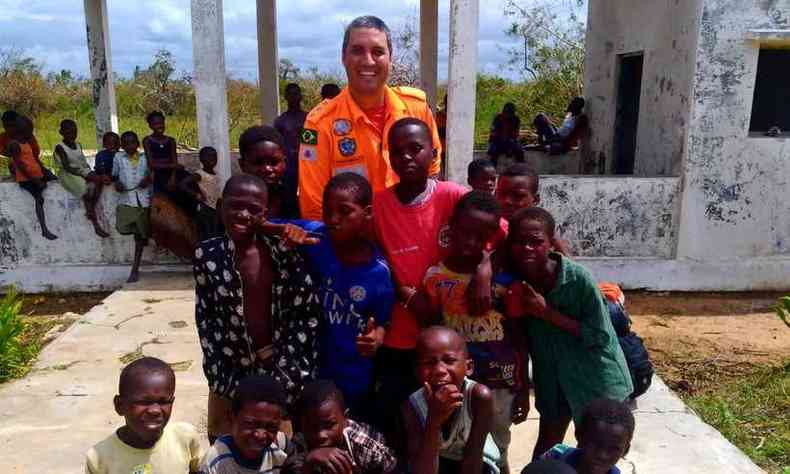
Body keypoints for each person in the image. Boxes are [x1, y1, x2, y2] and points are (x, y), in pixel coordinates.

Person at [193, 174, 321, 442]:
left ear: (266, 213)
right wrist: (220, 378)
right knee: (225, 445)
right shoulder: (207, 255)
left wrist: (289, 375)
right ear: (220, 206)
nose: (243, 214)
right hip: (230, 371)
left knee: (277, 447)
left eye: (253, 209)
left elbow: (305, 314)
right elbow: (206, 319)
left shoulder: (284, 251)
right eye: (235, 206)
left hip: (280, 371)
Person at [499, 208, 633, 460]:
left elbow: (600, 336)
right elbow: (521, 340)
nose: (527, 248)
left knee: (597, 452)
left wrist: (546, 312)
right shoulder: (514, 284)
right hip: (552, 378)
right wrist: (521, 387)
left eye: (536, 242)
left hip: (596, 376)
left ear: (551, 244)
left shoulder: (577, 279)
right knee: (547, 448)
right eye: (519, 242)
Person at [371, 117, 468, 442]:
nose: (407, 157)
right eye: (397, 151)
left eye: (416, 149)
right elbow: (374, 259)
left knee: (450, 425)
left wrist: (482, 266)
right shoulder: (379, 204)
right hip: (400, 335)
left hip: (448, 339)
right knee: (402, 421)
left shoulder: (452, 196)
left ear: (434, 151)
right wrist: (409, 296)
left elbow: (494, 230)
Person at [421, 191, 528, 473]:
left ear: (491, 237)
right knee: (461, 446)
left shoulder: (505, 279)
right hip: (457, 385)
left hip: (499, 381)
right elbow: (432, 329)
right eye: (464, 232)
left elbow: (518, 332)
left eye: (480, 237)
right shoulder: (436, 278)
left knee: (498, 446)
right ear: (451, 226)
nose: (470, 242)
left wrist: (523, 386)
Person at [298, 15, 442, 220]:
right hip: (354, 245)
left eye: (378, 52)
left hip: (410, 234)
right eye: (357, 51)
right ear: (343, 57)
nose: (368, 61)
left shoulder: (416, 107)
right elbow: (314, 207)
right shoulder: (319, 123)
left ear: (390, 58)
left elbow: (432, 175)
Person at [287, 173, 394, 423]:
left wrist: (375, 339)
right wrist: (288, 232)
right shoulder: (316, 237)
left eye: (344, 211)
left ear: (367, 213)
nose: (333, 219)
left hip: (353, 378)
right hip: (311, 371)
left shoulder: (378, 273)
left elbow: (383, 322)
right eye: (327, 211)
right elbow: (269, 225)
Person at [402, 326, 501, 474]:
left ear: (468, 367)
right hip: (433, 462)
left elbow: (473, 459)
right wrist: (434, 420)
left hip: (477, 464)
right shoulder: (412, 405)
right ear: (417, 371)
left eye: (449, 360)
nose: (439, 370)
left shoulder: (479, 397)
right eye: (429, 363)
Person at [85, 357, 202, 474]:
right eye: (144, 402)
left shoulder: (185, 438)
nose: (155, 410)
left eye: (163, 402)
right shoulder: (99, 457)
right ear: (120, 405)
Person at [282, 380, 399, 474]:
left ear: (345, 419)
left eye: (329, 425)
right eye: (311, 427)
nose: (320, 435)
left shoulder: (366, 447)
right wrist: (309, 461)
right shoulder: (301, 441)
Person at [199, 375, 292, 473]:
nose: (260, 435)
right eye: (250, 424)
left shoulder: (281, 446)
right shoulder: (215, 462)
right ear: (231, 419)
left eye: (271, 427)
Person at [541, 398, 635, 474]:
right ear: (579, 436)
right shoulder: (555, 456)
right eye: (595, 444)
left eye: (614, 449)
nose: (602, 455)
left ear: (625, 450)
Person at [54, 119, 110, 237]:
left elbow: (82, 162)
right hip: (68, 174)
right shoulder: (60, 147)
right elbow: (67, 167)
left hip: (82, 170)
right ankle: (95, 224)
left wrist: (90, 172)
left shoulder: (78, 145)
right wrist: (85, 175)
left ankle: (91, 207)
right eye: (68, 132)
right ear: (61, 132)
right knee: (84, 190)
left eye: (74, 131)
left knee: (99, 181)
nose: (72, 134)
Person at [5, 115, 57, 240]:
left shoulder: (26, 143)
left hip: (36, 175)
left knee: (54, 181)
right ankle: (44, 229)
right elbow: (20, 165)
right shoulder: (14, 144)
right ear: (22, 130)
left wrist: (45, 172)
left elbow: (34, 159)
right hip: (27, 179)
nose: (32, 133)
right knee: (39, 198)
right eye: (30, 130)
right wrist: (35, 180)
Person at [113, 131, 152, 283]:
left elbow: (151, 173)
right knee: (122, 227)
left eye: (133, 142)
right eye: (126, 143)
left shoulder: (144, 157)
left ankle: (134, 269)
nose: (130, 146)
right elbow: (115, 175)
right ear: (122, 145)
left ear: (138, 144)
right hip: (127, 199)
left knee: (139, 236)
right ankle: (143, 235)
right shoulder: (118, 158)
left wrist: (147, 180)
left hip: (143, 200)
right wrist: (117, 183)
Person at [238, 125, 300, 219]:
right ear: (242, 165)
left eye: (274, 162)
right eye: (257, 162)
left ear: (285, 162)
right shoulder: (234, 204)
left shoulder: (296, 202)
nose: (267, 169)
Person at [143, 110, 195, 214]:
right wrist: (172, 165)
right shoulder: (147, 140)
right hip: (158, 175)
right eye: (155, 124)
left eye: (161, 123)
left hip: (172, 174)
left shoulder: (171, 140)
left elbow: (174, 161)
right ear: (150, 126)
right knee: (162, 202)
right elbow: (152, 164)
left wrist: (173, 177)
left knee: (190, 185)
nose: (159, 126)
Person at [179, 146, 222, 241]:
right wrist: (196, 195)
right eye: (209, 157)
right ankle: (205, 252)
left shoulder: (215, 173)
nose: (213, 160)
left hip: (214, 207)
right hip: (205, 207)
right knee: (207, 233)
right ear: (202, 159)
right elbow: (183, 184)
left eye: (214, 157)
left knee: (215, 231)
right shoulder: (200, 174)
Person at [274, 83, 308, 193]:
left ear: (301, 96)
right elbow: (277, 145)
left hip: (307, 163)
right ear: (286, 97)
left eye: (296, 94)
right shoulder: (281, 121)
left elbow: (312, 144)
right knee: (289, 197)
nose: (293, 97)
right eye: (290, 94)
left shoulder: (309, 118)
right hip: (288, 166)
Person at [0, 110, 42, 175]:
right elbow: (2, 151)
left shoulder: (28, 135)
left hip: (32, 166)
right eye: (5, 126)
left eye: (11, 125)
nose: (8, 129)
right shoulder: (3, 137)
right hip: (17, 168)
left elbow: (36, 152)